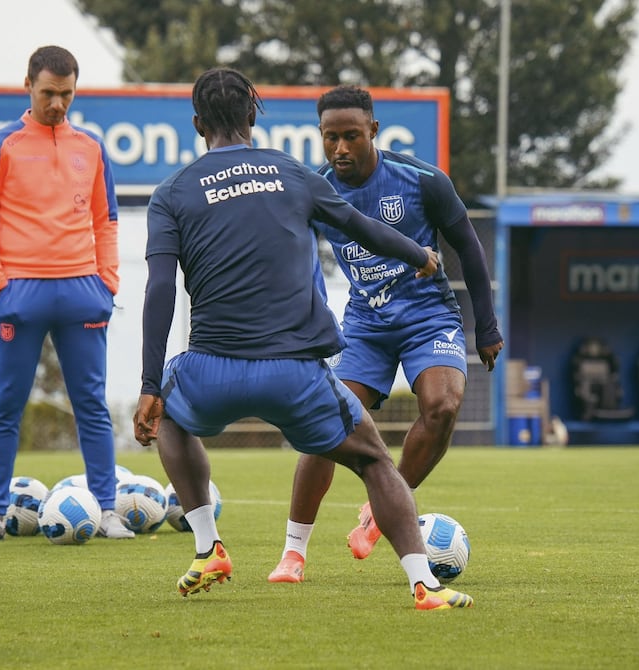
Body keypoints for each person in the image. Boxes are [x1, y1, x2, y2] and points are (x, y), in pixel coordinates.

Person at [133, 66, 473, 610]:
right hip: (296, 374)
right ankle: (424, 585)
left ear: (198, 126)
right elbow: (365, 227)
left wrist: (151, 384)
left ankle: (207, 548)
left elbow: (157, 291)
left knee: (169, 413)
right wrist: (421, 255)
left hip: (212, 369)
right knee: (375, 462)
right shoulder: (291, 173)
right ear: (252, 116)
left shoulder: (171, 193)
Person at [268, 85, 503, 583]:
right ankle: (293, 552)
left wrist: (487, 325)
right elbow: (286, 255)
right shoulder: (318, 188)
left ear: (373, 130)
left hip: (428, 317)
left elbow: (469, 248)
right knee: (322, 422)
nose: (341, 149)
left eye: (352, 136)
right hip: (365, 324)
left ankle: (379, 513)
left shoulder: (422, 180)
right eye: (330, 138)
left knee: (442, 406)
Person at [0, 45, 133, 542]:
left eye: (67, 94)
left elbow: (106, 219)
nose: (58, 104)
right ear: (29, 86)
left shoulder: (91, 147)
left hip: (83, 293)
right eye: (49, 93)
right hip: (20, 294)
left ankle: (106, 510)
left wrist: (107, 282)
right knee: (6, 404)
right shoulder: (1, 145)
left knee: (91, 405)